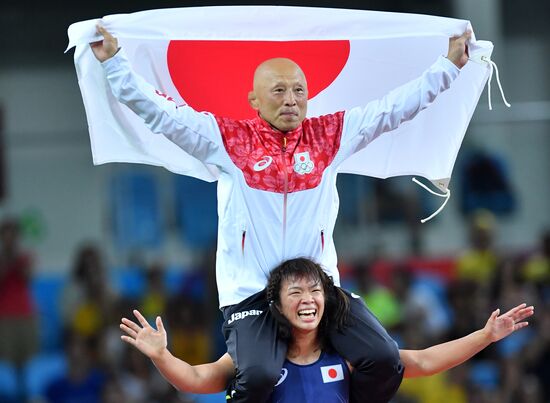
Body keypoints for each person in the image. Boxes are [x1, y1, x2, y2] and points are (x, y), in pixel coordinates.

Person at [91, 25, 471, 403]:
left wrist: (449, 66)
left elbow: (394, 108)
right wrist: (114, 64)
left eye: (299, 91)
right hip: (252, 295)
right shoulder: (227, 140)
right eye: (279, 91)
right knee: (257, 376)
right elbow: (162, 115)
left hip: (318, 291)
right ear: (254, 99)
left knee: (385, 360)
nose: (291, 99)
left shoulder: (332, 136)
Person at [119, 257, 534, 402]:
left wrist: (486, 335)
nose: (308, 300)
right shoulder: (259, 358)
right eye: (295, 291)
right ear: (277, 305)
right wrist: (161, 355)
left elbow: (422, 361)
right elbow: (195, 379)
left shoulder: (347, 357)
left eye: (315, 291)